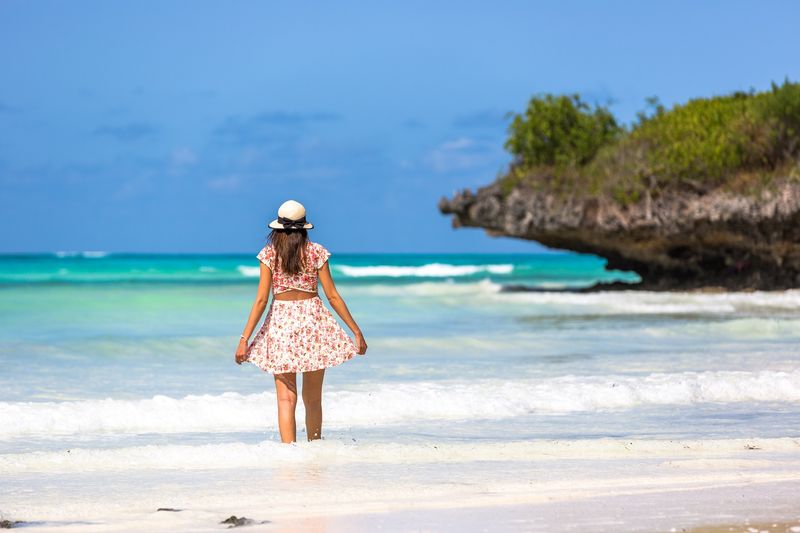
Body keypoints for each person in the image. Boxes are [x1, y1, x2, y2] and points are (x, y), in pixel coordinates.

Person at [234, 200, 368, 443]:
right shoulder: (317, 251)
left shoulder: (269, 254)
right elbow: (333, 296)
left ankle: (289, 456)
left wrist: (244, 339)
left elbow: (262, 300)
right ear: (305, 228)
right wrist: (356, 331)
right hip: (314, 323)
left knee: (286, 398)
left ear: (277, 229)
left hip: (281, 325)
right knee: (313, 398)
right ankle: (315, 449)